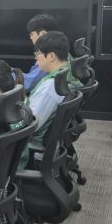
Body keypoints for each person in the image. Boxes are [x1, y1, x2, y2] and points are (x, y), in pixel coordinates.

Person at [25, 31, 80, 167]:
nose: (36, 58)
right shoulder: (65, 75)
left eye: (38, 54)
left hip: (31, 148)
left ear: (51, 56)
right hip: (52, 146)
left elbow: (30, 124)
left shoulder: (50, 86)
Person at [24, 14, 58, 92]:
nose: (30, 38)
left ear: (43, 34)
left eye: (32, 34)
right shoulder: (60, 50)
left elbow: (28, 84)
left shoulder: (48, 56)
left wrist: (5, 74)